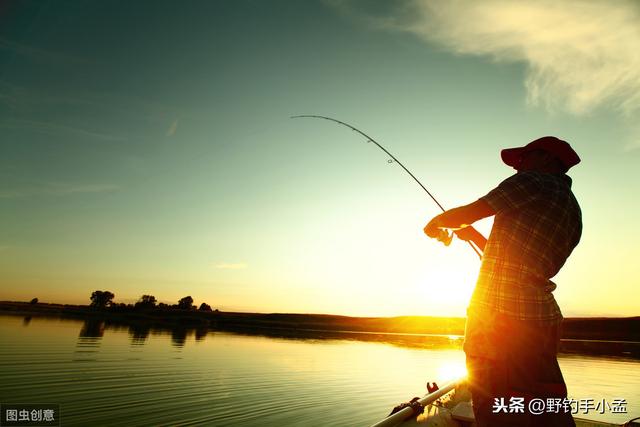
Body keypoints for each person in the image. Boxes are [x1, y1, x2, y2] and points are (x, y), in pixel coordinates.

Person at [424, 136, 582, 427]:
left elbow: (471, 211)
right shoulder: (572, 209)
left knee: (494, 403)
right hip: (542, 319)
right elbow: (520, 261)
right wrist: (472, 235)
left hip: (500, 318)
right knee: (545, 402)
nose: (518, 167)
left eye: (524, 159)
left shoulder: (532, 182)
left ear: (546, 159)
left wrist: (436, 222)